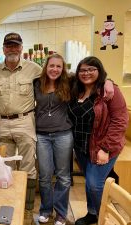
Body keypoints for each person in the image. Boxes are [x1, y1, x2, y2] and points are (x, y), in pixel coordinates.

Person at [68, 56, 129, 225]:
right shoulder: (76, 90)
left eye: (91, 69)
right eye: (83, 70)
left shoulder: (109, 91)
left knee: (95, 184)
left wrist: (106, 149)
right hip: (81, 147)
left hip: (102, 146)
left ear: (99, 71)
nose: (86, 73)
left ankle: (106, 218)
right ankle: (92, 213)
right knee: (89, 182)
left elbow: (120, 120)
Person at [0, 32, 42, 218]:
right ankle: (9, 205)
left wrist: (107, 82)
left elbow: (59, 78)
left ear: (21, 47)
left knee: (28, 166)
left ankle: (26, 210)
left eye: (15, 45)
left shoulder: (34, 69)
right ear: (3, 48)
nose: (12, 49)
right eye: (8, 45)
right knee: (6, 166)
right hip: (2, 123)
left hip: (25, 121)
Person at [34, 54, 73, 225]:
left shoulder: (69, 83)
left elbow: (94, 81)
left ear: (62, 69)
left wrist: (110, 82)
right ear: (46, 66)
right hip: (41, 135)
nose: (55, 69)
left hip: (63, 134)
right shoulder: (37, 83)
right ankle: (45, 210)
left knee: (63, 176)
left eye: (58, 66)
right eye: (52, 66)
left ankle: (61, 213)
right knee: (44, 176)